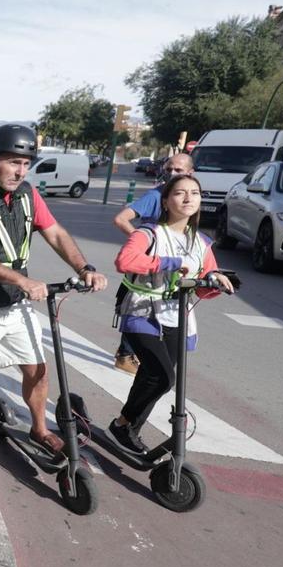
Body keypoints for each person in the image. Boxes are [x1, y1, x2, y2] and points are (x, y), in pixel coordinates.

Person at [0, 124, 107, 468]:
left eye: (25, 163)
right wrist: (21, 279)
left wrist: (84, 267)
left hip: (16, 305)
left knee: (38, 369)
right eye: (12, 162)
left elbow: (56, 234)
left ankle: (39, 428)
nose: (19, 171)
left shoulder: (28, 195)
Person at [108, 174, 233, 454]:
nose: (188, 198)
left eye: (195, 193)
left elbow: (202, 284)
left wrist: (216, 282)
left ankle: (127, 428)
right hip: (141, 311)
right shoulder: (149, 233)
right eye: (180, 193)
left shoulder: (202, 242)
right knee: (163, 377)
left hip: (178, 316)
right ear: (165, 201)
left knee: (152, 377)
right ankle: (123, 424)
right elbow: (125, 261)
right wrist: (169, 262)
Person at [110, 152, 195, 374]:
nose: (172, 174)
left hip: (172, 272)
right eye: (169, 169)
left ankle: (141, 357)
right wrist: (144, 244)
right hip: (150, 269)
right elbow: (121, 219)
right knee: (141, 309)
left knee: (163, 312)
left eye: (178, 170)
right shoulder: (156, 196)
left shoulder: (188, 199)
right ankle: (126, 355)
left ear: (190, 173)